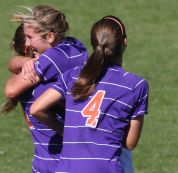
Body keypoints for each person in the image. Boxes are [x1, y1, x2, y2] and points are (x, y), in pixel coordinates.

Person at [30, 15, 149, 173]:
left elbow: (36, 109)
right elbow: (130, 143)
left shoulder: (74, 76)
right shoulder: (136, 85)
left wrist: (65, 131)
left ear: (94, 44)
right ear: (124, 42)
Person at [4, 5, 88, 173]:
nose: (27, 43)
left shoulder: (53, 58)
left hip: (57, 162)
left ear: (50, 36)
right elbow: (12, 64)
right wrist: (26, 62)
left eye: (30, 37)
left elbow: (11, 90)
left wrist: (31, 62)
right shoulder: (74, 46)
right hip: (72, 157)